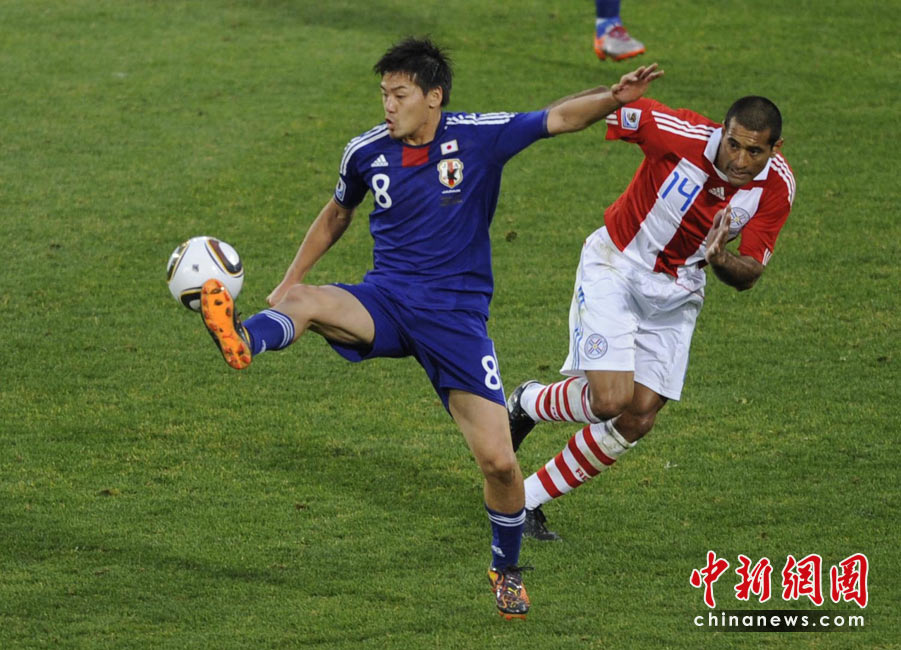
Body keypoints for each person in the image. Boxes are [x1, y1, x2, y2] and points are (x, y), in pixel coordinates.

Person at [197, 37, 663, 618]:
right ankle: (244, 339)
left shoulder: (479, 136)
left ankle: (506, 570)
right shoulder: (365, 151)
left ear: (433, 96)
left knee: (500, 463)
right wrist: (291, 278)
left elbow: (558, 118)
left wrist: (613, 98)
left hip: (455, 322)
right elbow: (338, 211)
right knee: (305, 301)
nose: (388, 106)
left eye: (400, 95)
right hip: (386, 300)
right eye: (384, 94)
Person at [507, 93, 795, 540]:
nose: (740, 160)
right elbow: (604, 108)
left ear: (775, 149)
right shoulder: (675, 132)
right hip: (616, 267)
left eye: (755, 151)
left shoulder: (776, 186)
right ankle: (527, 402)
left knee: (638, 416)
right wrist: (533, 123)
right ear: (722, 131)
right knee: (608, 401)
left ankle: (523, 501)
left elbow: (750, 272)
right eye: (734, 144)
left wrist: (720, 259)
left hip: (679, 291)